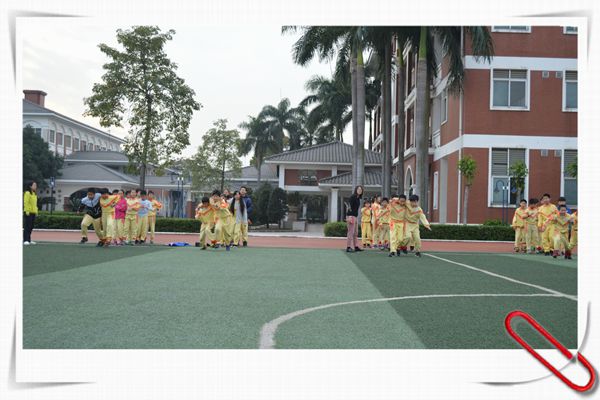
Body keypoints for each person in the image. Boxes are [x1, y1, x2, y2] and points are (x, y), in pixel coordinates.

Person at [345, 185, 363, 252]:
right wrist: (349, 216)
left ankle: (356, 246)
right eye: (358, 189)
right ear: (356, 190)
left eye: (361, 190)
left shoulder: (358, 198)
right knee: (351, 232)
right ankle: (348, 247)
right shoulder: (353, 197)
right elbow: (349, 206)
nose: (360, 190)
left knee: (355, 232)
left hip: (355, 216)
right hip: (351, 216)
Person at [23, 181, 38, 245]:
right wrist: (27, 211)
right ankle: (25, 240)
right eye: (34, 185)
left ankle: (29, 240)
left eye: (36, 185)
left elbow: (35, 204)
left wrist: (36, 211)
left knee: (31, 226)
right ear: (30, 186)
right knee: (27, 226)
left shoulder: (34, 194)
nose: (35, 186)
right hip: (28, 212)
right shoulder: (27, 193)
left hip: (33, 212)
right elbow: (26, 203)